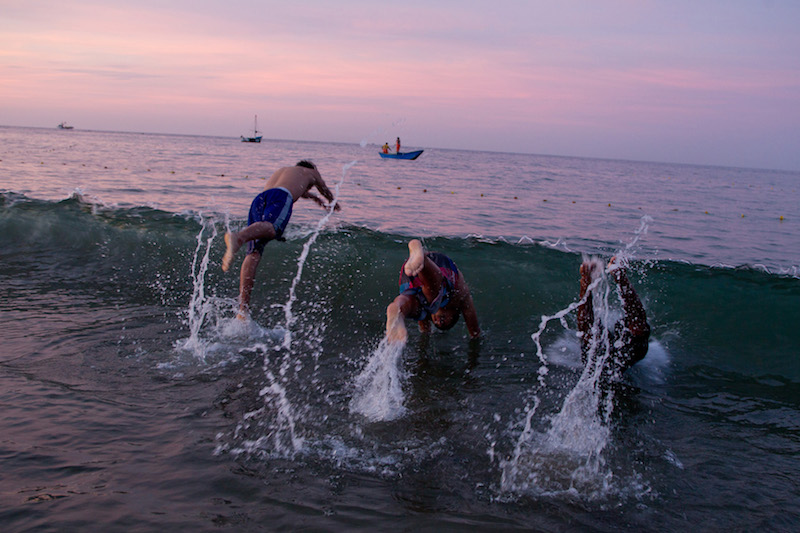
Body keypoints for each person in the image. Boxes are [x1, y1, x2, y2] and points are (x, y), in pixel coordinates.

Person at [222, 160, 340, 317]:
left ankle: (242, 309)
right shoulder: (311, 172)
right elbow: (324, 188)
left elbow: (299, 189)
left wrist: (313, 198)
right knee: (272, 229)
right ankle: (238, 238)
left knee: (254, 253)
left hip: (259, 199)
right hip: (281, 197)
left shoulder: (284, 171)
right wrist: (332, 203)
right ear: (310, 168)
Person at [386, 239, 480, 343]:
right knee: (435, 298)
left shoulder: (426, 311)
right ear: (455, 313)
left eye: (436, 324)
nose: (439, 322)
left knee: (415, 308)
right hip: (441, 265)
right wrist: (475, 338)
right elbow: (474, 331)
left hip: (411, 267)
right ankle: (423, 260)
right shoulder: (461, 299)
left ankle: (398, 310)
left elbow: (425, 331)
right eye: (445, 323)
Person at [576, 257, 650, 381]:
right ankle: (619, 276)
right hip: (624, 356)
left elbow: (585, 329)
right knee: (638, 329)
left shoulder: (593, 355)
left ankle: (586, 281)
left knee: (589, 335)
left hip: (603, 359)